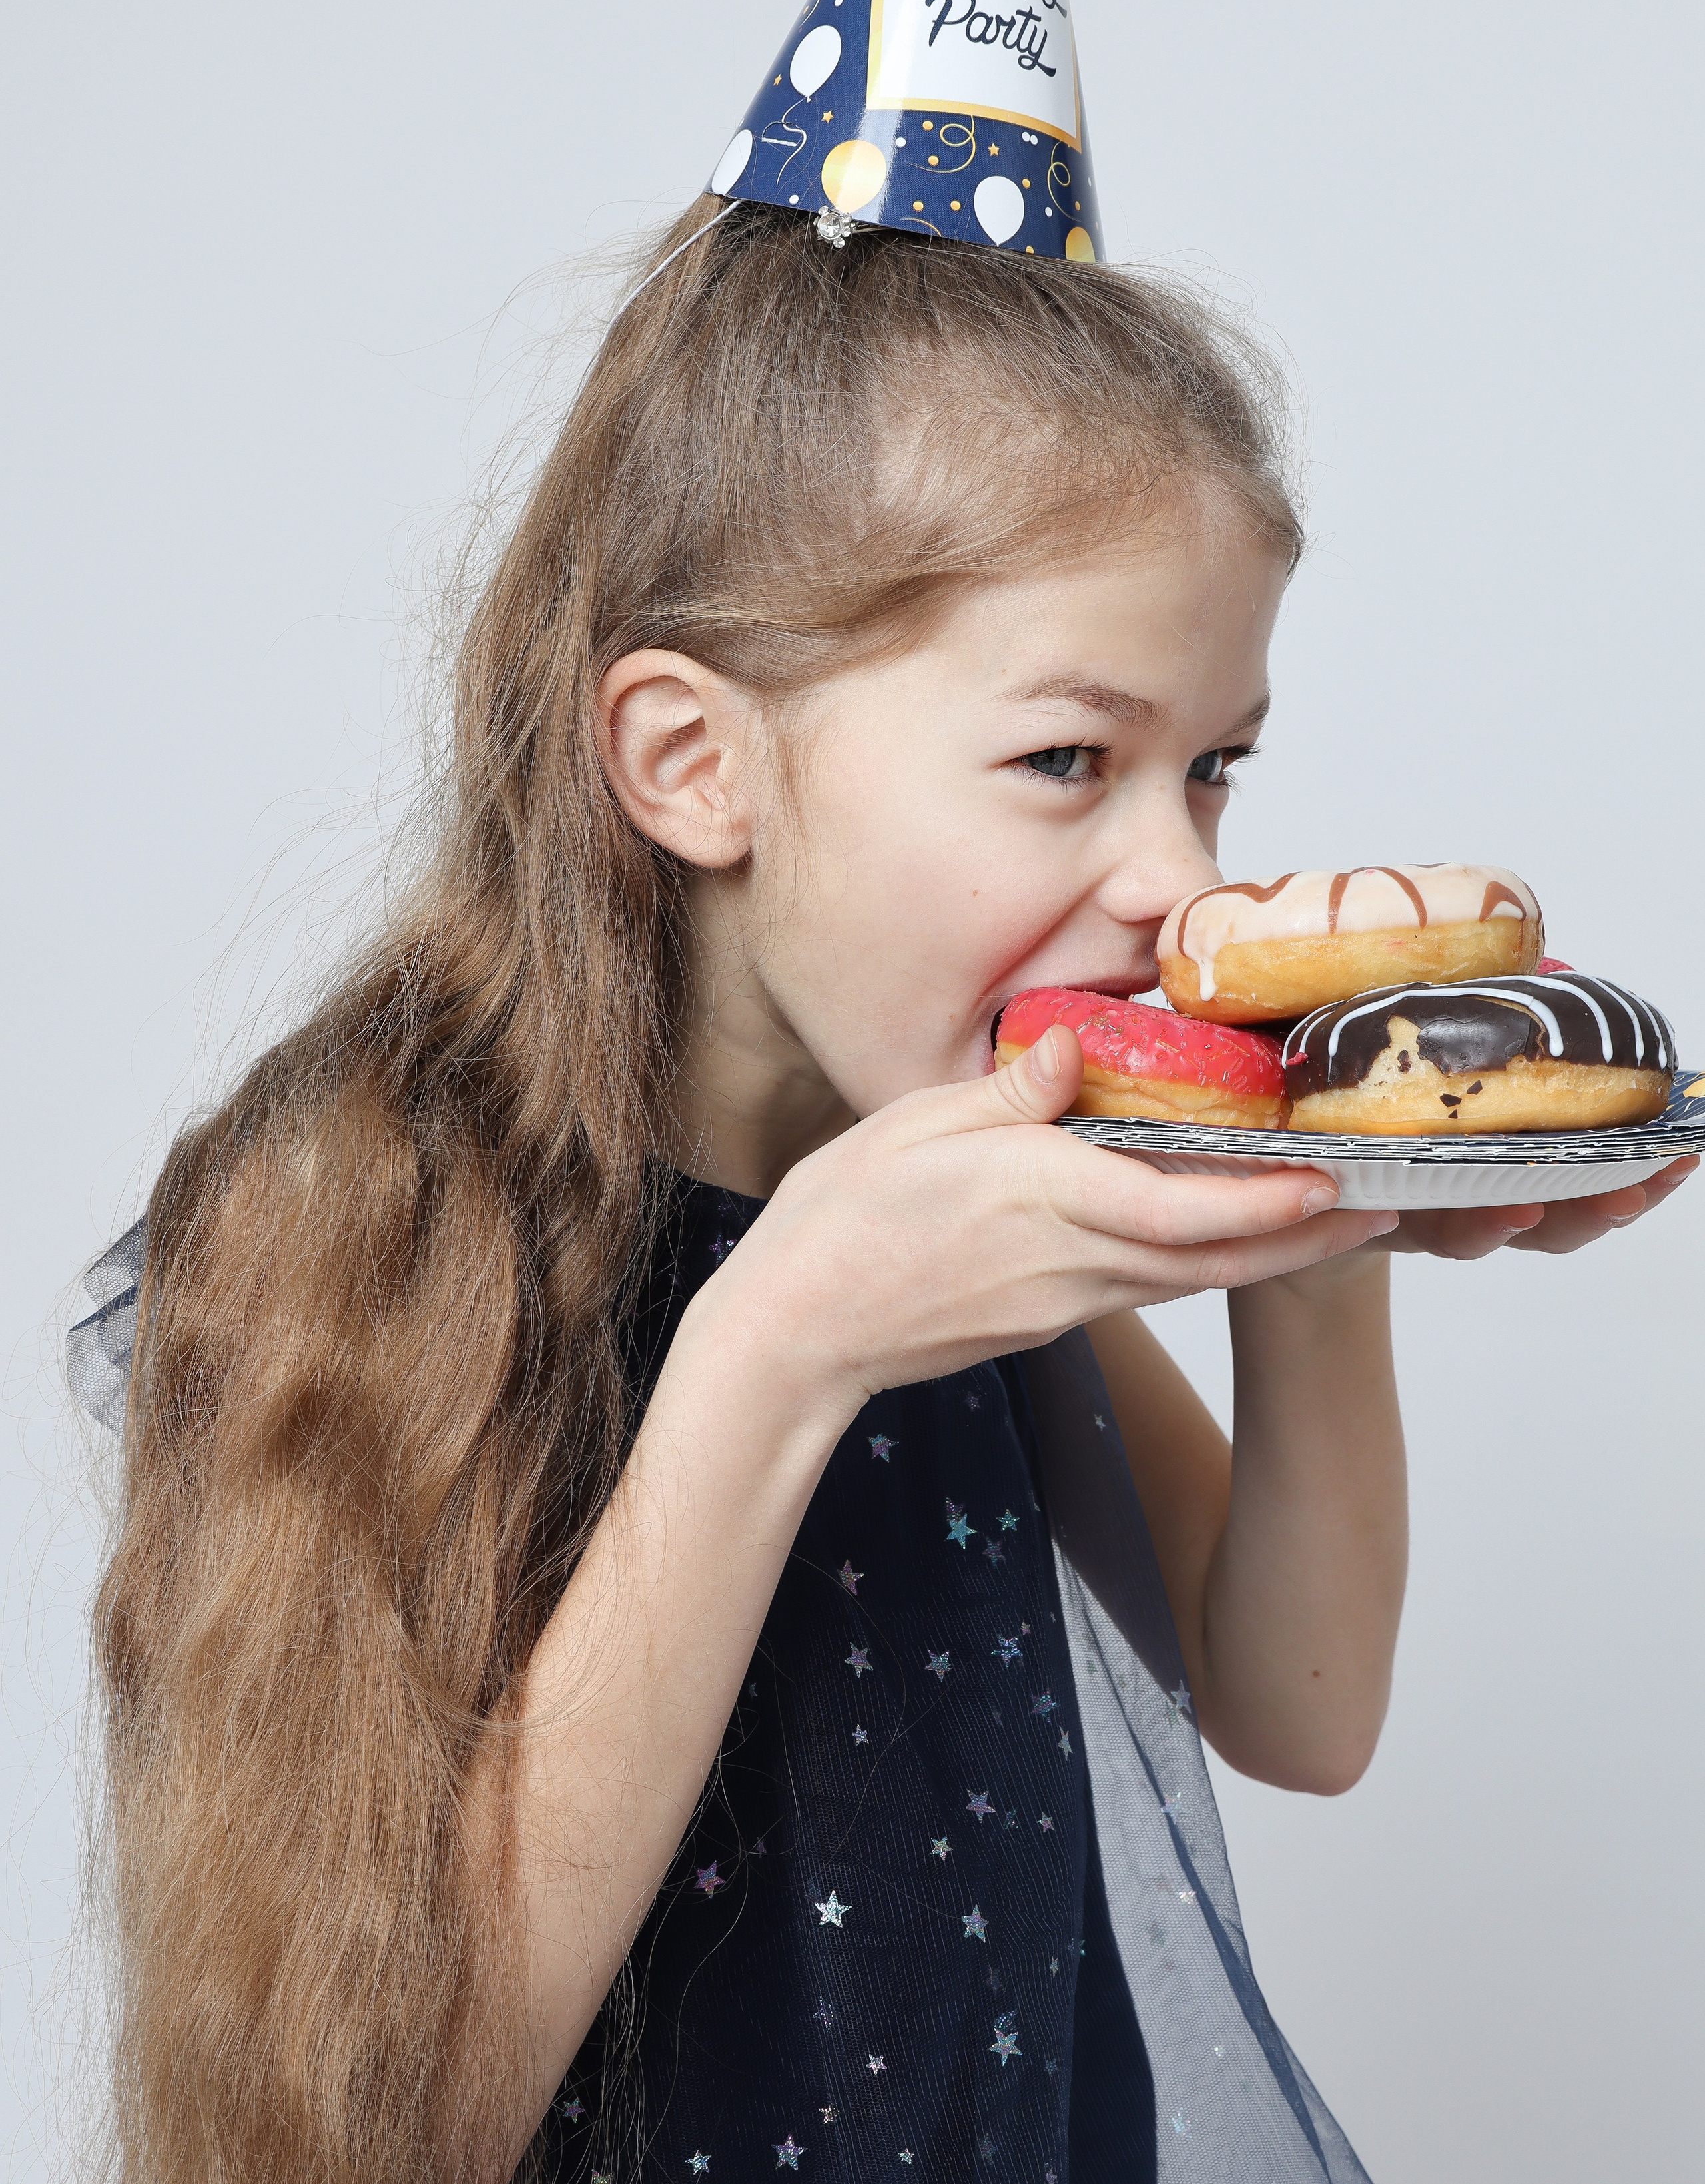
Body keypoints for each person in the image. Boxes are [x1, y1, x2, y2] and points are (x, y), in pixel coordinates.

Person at [75, 191, 1694, 2184]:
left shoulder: (951, 1178)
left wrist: (1320, 1214)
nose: (1183, 887)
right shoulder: (378, 1220)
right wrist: (780, 1347)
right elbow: (364, 2127)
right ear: (694, 763)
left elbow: (1301, 1697)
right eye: (1066, 760)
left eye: (1214, 769)